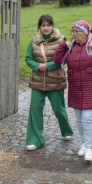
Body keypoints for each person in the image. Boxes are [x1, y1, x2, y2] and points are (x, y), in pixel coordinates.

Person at [54, 21, 92, 161]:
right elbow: (57, 60)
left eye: (76, 31)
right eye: (72, 31)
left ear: (85, 32)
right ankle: (84, 143)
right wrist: (63, 45)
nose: (73, 35)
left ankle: (89, 148)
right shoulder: (71, 47)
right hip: (76, 88)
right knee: (80, 119)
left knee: (87, 118)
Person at [25, 15, 73, 151]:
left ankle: (66, 130)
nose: (46, 28)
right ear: (39, 27)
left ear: (52, 26)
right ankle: (35, 140)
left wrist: (49, 66)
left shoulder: (61, 41)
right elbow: (28, 58)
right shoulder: (33, 41)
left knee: (59, 110)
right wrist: (37, 65)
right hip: (37, 82)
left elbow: (65, 59)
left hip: (55, 81)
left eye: (48, 25)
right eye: (43, 25)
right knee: (35, 110)